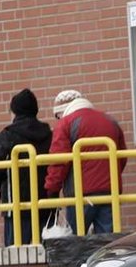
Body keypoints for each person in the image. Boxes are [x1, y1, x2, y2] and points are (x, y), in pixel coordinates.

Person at [44, 89, 127, 234]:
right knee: (107, 243)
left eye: (57, 116)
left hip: (80, 195)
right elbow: (122, 157)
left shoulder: (66, 123)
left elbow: (59, 161)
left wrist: (52, 190)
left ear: (62, 111)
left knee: (76, 243)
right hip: (109, 192)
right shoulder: (110, 121)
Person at [0, 88, 53, 246]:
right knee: (47, 253)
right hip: (45, 206)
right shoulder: (49, 135)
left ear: (15, 112)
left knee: (17, 255)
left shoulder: (6, 137)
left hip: (16, 209)